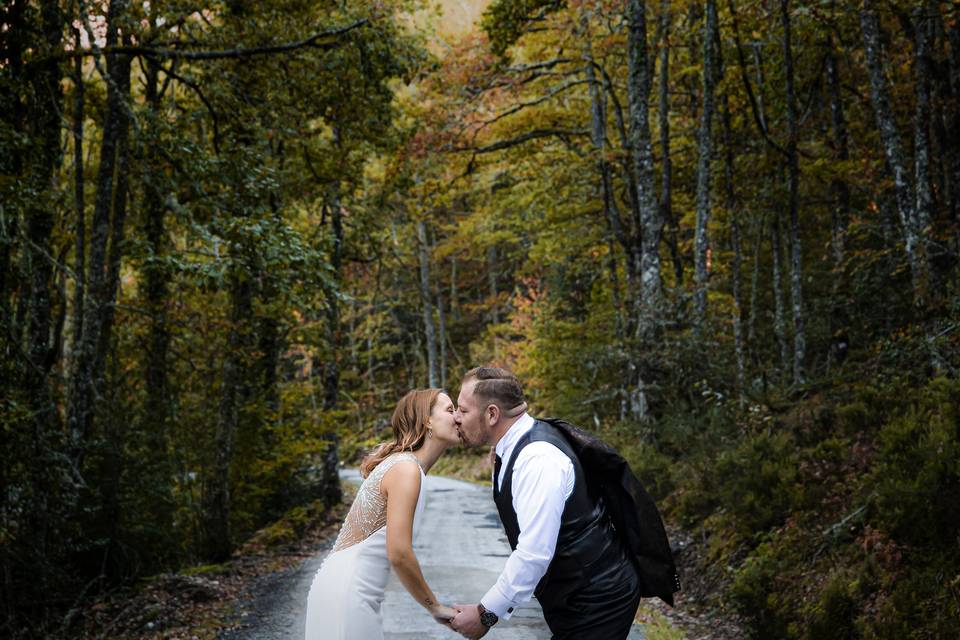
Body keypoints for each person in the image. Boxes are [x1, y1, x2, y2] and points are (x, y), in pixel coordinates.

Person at [450, 367, 642, 640]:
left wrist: (485, 613)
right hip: (574, 597)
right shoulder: (511, 446)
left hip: (599, 597)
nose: (455, 418)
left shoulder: (537, 460)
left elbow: (533, 553)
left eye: (462, 410)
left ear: (492, 414)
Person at [304, 389, 460, 639]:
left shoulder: (407, 466)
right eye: (450, 410)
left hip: (342, 588)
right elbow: (399, 553)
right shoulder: (406, 469)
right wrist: (434, 606)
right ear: (427, 420)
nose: (458, 417)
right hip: (348, 592)